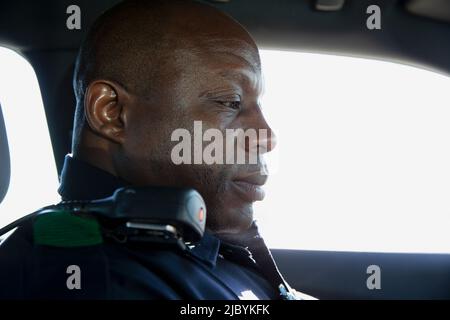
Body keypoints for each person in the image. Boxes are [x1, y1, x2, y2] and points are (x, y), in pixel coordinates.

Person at [0, 0, 313, 300]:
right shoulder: (90, 276)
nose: (267, 137)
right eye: (230, 102)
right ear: (111, 112)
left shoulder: (189, 246)